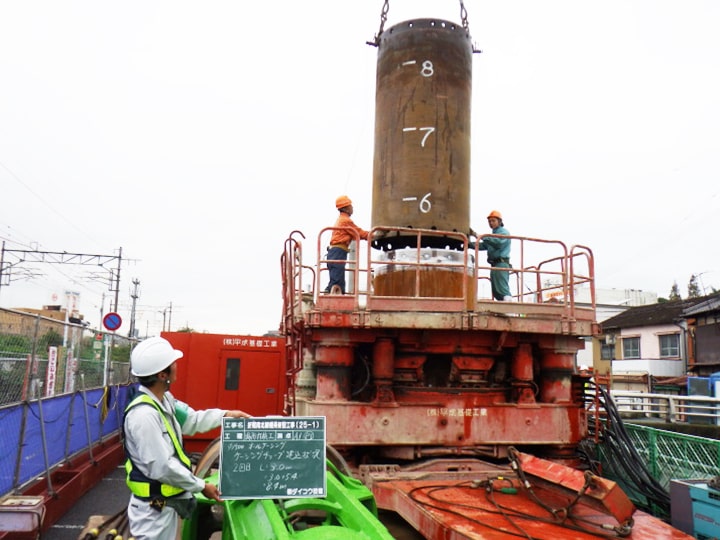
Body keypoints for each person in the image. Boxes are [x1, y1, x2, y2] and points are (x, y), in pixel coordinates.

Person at [124, 336, 251, 540]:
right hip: (153, 508)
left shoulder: (164, 400)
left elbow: (191, 420)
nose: (177, 367)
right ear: (162, 374)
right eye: (173, 364)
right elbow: (162, 466)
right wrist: (201, 486)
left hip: (164, 503)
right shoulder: (144, 416)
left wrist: (225, 415)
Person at [324, 195, 369, 294]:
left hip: (334, 252)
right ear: (346, 208)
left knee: (335, 280)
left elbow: (354, 234)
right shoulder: (345, 221)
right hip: (338, 252)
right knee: (337, 283)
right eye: (350, 205)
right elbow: (358, 233)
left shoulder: (341, 220)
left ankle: (330, 293)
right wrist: (373, 234)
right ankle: (334, 299)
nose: (352, 208)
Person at [473, 209, 512, 301]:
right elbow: (483, 245)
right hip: (494, 264)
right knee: (496, 290)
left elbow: (498, 242)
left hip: (501, 264)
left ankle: (509, 308)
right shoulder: (492, 235)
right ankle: (503, 307)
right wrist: (467, 244)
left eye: (493, 221)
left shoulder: (504, 233)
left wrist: (480, 236)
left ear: (500, 221)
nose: (491, 223)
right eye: (489, 221)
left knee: (502, 288)